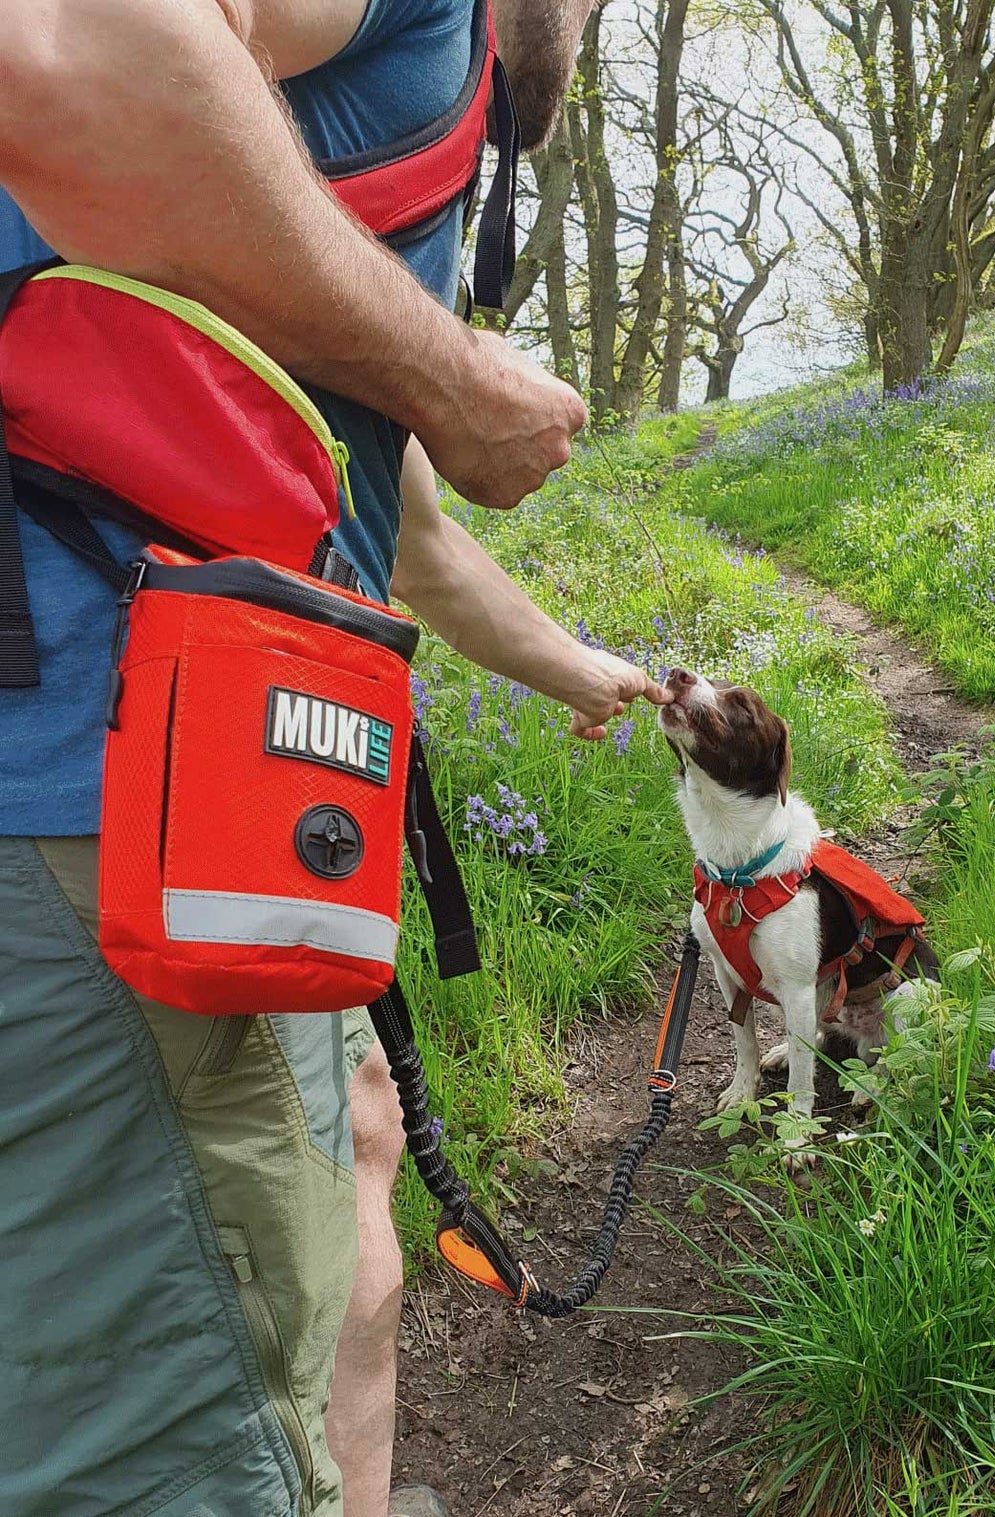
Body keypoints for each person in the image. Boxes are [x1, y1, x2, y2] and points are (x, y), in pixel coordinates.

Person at [0, 3, 667, 1515]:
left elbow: (375, 503)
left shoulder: (260, 193)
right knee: (165, 1447)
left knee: (355, 1147)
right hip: (102, 811)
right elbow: (56, 46)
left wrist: (581, 667)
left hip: (205, 801)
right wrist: (456, 372)